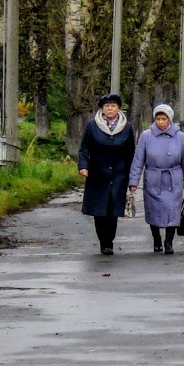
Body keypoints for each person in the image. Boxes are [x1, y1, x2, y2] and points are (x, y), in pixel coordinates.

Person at [129, 103, 184, 254]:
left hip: (174, 178)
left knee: (173, 210)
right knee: (154, 210)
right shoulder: (146, 136)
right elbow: (138, 160)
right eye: (158, 118)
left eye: (164, 118)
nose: (161, 122)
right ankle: (156, 238)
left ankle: (169, 241)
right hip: (153, 178)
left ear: (169, 119)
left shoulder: (180, 136)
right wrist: (133, 181)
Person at [78, 92, 136, 255]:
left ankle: (109, 241)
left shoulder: (127, 127)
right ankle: (103, 241)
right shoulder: (92, 126)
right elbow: (84, 148)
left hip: (119, 174)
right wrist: (83, 166)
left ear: (118, 108)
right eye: (107, 106)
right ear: (102, 109)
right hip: (98, 173)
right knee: (99, 210)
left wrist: (133, 176)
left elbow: (131, 152)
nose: (110, 108)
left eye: (113, 105)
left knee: (113, 210)